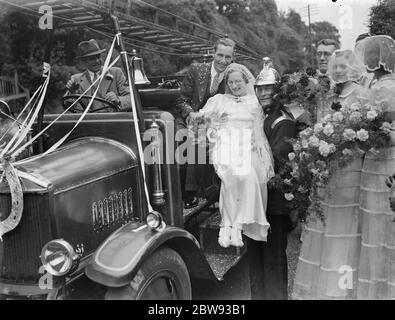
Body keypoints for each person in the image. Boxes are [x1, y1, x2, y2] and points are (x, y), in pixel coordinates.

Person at [292, 50, 369, 300]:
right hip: (326, 169)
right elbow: (319, 124)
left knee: (345, 226)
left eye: (344, 66)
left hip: (350, 167)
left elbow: (365, 133)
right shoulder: (329, 94)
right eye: (336, 66)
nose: (339, 70)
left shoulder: (361, 94)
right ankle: (324, 289)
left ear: (354, 68)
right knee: (324, 226)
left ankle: (343, 288)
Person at [196, 63, 274, 248]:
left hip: (249, 146)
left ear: (246, 81)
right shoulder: (219, 100)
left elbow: (260, 126)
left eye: (238, 81)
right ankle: (226, 226)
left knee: (247, 176)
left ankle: (237, 224)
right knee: (231, 176)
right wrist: (213, 123)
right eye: (231, 82)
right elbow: (201, 119)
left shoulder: (254, 102)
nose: (234, 85)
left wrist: (258, 145)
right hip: (227, 145)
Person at [246, 66, 297, 300]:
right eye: (260, 88)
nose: (264, 93)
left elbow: (278, 162)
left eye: (269, 88)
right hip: (255, 199)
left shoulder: (283, 121)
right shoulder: (259, 115)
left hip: (274, 203)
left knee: (273, 259)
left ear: (278, 91)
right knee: (254, 257)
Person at [355, 35, 395, 300]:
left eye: (369, 55)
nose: (366, 60)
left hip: (384, 160)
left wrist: (364, 133)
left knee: (381, 223)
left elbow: (387, 129)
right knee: (374, 222)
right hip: (373, 160)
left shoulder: (386, 87)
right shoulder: (378, 83)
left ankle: (381, 288)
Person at [176, 37, 236, 209]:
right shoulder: (196, 69)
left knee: (204, 138)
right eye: (220, 55)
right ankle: (183, 191)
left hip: (215, 123)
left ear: (232, 59)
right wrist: (191, 114)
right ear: (213, 53)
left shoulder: (232, 77)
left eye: (228, 57)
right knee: (184, 139)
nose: (223, 61)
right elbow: (181, 100)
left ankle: (201, 191)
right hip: (189, 117)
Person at [65, 39, 131, 112]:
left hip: (113, 120)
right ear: (83, 61)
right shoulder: (76, 79)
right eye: (92, 58)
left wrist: (118, 100)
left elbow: (131, 98)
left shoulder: (115, 73)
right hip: (90, 121)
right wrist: (72, 92)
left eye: (98, 57)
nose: (97, 61)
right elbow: (69, 107)